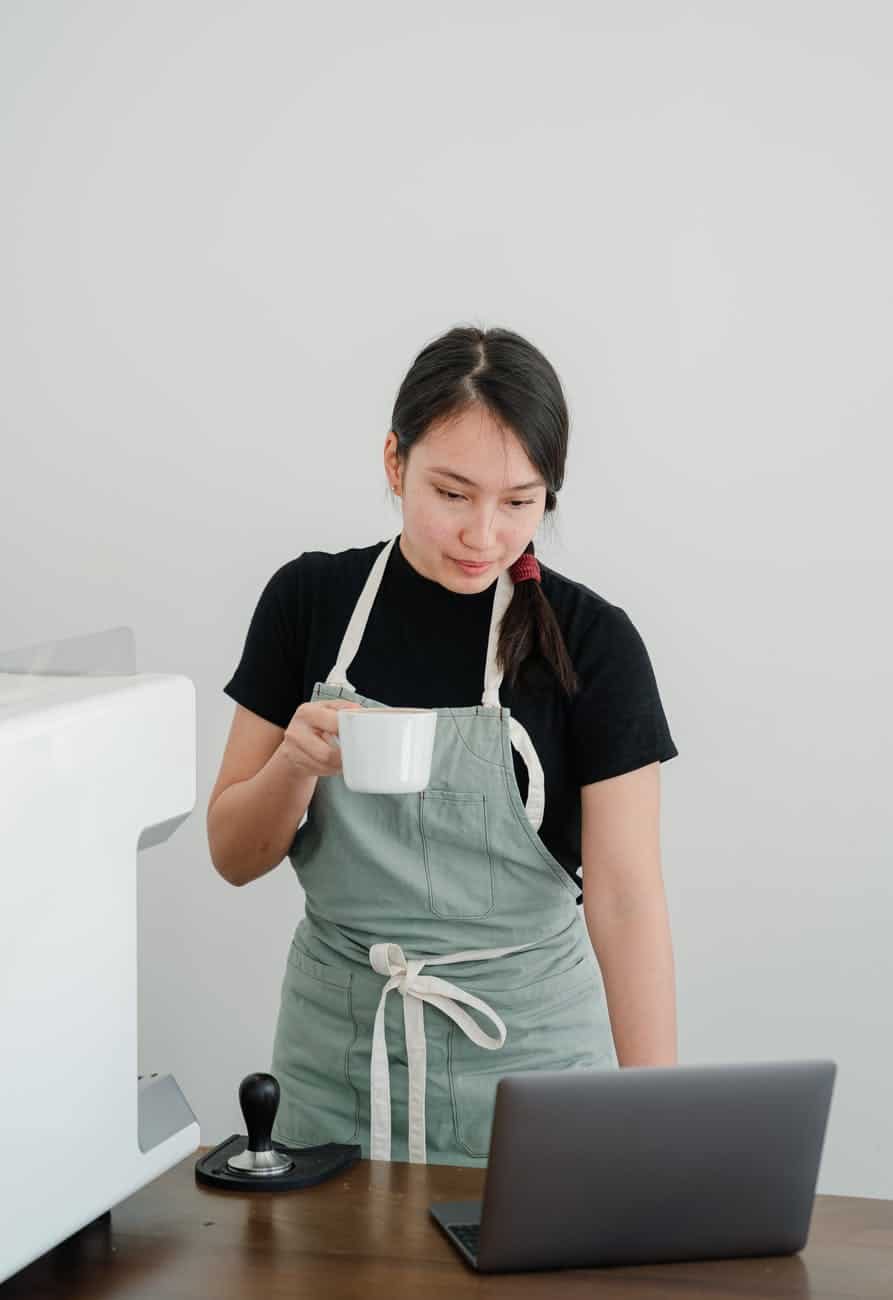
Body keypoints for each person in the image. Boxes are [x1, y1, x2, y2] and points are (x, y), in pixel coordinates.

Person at [207, 324, 679, 1167]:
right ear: (394, 463)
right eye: (452, 494)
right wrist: (293, 766)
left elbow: (626, 901)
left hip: (533, 1065)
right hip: (336, 1061)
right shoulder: (309, 602)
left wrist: (658, 1123)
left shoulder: (592, 642)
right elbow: (232, 855)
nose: (483, 534)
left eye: (518, 502)